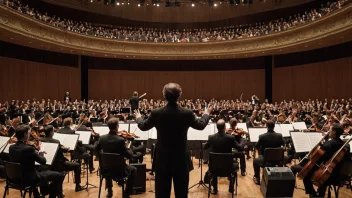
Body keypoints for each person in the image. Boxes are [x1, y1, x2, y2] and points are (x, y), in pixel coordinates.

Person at [135, 82, 212, 198]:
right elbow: (201, 125)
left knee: (161, 193)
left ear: (164, 95)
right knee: (181, 193)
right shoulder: (187, 113)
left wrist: (138, 117)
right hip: (181, 159)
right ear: (179, 95)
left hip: (162, 159)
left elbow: (143, 126)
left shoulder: (156, 113)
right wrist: (206, 114)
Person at [291, 123, 350, 197]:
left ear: (334, 132)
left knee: (303, 173)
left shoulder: (328, 144)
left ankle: (313, 194)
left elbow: (317, 160)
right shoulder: (345, 146)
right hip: (337, 174)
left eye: (330, 130)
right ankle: (318, 193)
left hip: (324, 174)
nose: (328, 131)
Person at [9, 125, 65, 198]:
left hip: (15, 178)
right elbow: (43, 161)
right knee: (60, 175)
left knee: (43, 169)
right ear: (25, 134)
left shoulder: (11, 147)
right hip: (29, 178)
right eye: (29, 133)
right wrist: (41, 151)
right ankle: (51, 194)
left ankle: (42, 193)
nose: (30, 135)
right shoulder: (28, 149)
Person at [95, 118, 137, 198]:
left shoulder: (102, 138)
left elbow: (96, 149)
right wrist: (129, 147)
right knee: (133, 170)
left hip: (105, 169)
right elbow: (129, 155)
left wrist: (101, 159)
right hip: (119, 171)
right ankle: (126, 194)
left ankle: (110, 192)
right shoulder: (120, 140)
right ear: (117, 127)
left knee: (108, 163)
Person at [203, 119, 243, 195]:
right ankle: (231, 189)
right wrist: (242, 141)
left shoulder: (211, 137)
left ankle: (214, 189)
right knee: (235, 164)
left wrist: (208, 143)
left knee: (214, 162)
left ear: (216, 127)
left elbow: (205, 147)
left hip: (214, 168)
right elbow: (240, 148)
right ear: (225, 127)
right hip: (228, 168)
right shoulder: (230, 138)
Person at [40, 125, 83, 192]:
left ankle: (58, 190)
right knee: (77, 165)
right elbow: (64, 150)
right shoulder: (56, 141)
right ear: (51, 132)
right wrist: (67, 149)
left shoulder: (40, 140)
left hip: (46, 165)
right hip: (58, 165)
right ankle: (78, 186)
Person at [252, 120, 285, 185]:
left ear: (266, 126)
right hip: (278, 159)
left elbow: (256, 146)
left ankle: (257, 178)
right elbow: (284, 144)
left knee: (255, 161)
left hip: (266, 160)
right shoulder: (279, 136)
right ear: (274, 126)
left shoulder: (262, 136)